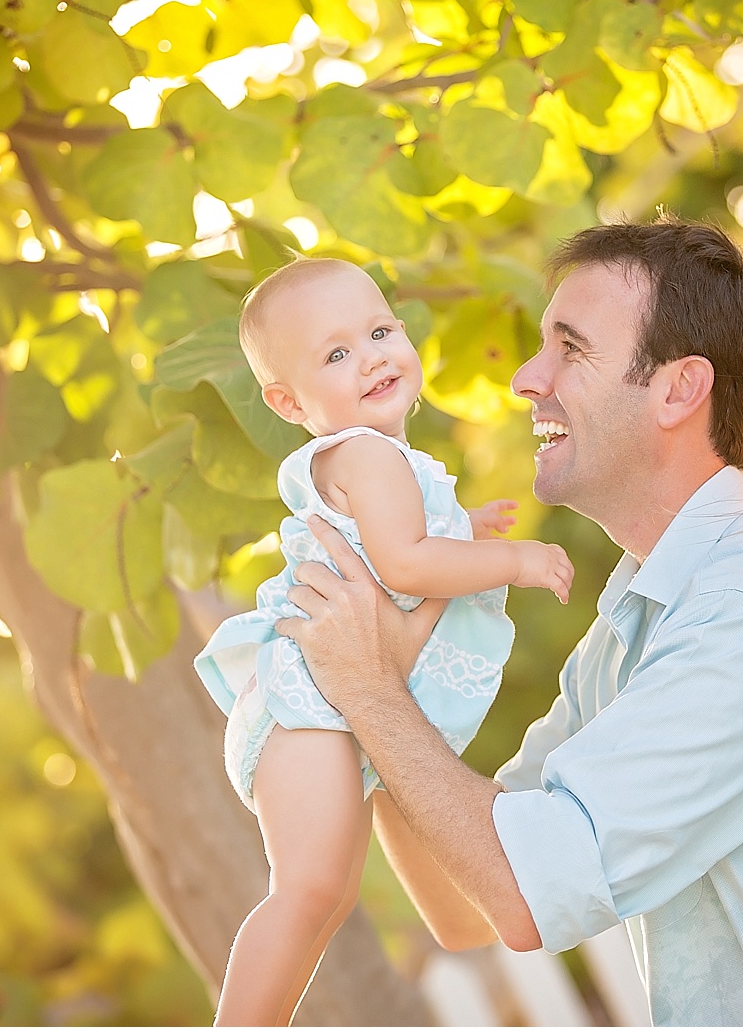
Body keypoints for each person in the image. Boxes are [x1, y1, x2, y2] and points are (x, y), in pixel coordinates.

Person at [277, 218, 743, 1025]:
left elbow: (518, 896)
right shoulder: (645, 612)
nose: (527, 379)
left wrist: (366, 687)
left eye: (570, 348)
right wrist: (378, 677)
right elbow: (463, 904)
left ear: (678, 389)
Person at [193, 258, 573, 1025]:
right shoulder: (363, 454)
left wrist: (462, 531)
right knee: (307, 890)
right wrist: (513, 558)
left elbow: (400, 556)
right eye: (335, 354)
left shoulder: (392, 461)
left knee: (323, 896)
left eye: (378, 331)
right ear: (288, 400)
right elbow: (403, 562)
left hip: (334, 700)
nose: (369, 356)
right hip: (313, 700)